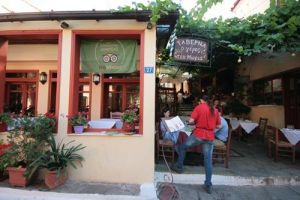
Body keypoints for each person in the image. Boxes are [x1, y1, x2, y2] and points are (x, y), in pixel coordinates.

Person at [171, 95, 221, 194]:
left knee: (182, 147)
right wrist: (210, 127)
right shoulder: (215, 110)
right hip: (210, 136)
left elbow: (191, 120)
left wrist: (188, 122)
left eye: (199, 101)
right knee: (208, 161)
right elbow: (218, 125)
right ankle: (208, 185)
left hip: (199, 135)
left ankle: (179, 166)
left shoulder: (199, 107)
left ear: (201, 100)